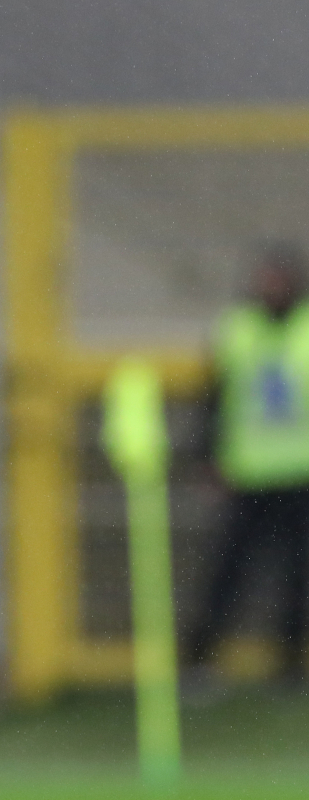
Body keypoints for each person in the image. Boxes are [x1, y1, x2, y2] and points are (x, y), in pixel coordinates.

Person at [189, 243, 309, 682]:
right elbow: (215, 399)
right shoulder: (237, 329)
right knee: (227, 574)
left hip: (300, 476)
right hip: (248, 476)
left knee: (297, 580)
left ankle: (290, 669)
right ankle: (199, 662)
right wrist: (208, 458)